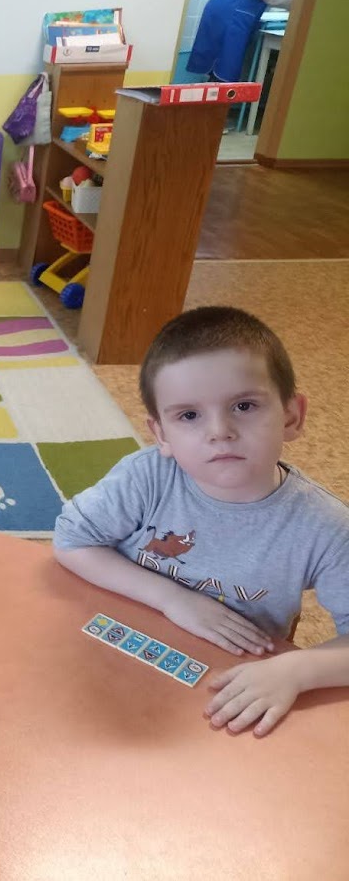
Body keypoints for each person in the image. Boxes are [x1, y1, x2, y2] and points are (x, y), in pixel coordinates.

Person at [53, 306, 349, 737]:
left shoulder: (326, 526)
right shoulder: (146, 476)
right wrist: (173, 599)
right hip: (116, 644)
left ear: (291, 416)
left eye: (244, 406)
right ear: (161, 434)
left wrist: (296, 670)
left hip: (224, 684)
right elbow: (72, 540)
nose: (219, 431)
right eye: (189, 415)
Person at [189, 0, 291, 82]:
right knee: (224, 77)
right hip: (232, 18)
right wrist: (300, 1)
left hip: (227, 14)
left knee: (218, 75)